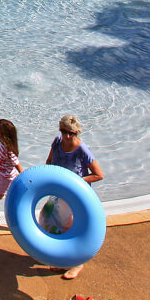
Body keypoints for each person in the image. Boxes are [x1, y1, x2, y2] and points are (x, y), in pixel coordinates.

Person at [45, 114, 106, 280]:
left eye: (70, 133)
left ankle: (77, 263)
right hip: (59, 191)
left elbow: (99, 174)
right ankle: (63, 260)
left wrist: (75, 181)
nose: (66, 135)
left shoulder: (82, 149)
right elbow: (49, 161)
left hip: (75, 195)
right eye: (63, 131)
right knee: (49, 221)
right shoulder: (57, 142)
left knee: (69, 229)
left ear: (76, 132)